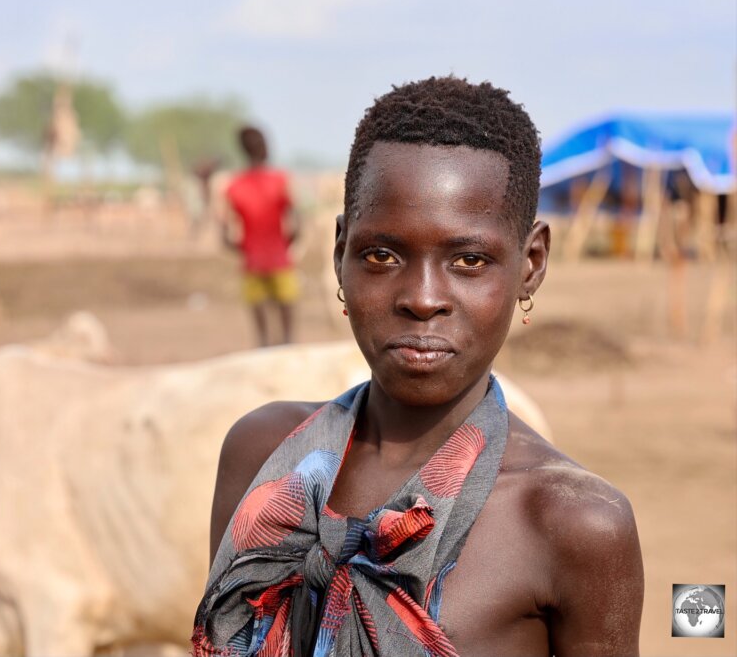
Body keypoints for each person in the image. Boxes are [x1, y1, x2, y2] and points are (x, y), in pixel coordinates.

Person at [193, 77, 643, 656]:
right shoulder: (263, 456)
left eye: (469, 259)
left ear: (531, 264)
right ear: (339, 253)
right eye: (382, 255)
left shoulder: (574, 522)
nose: (423, 297)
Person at [222, 126, 301, 347]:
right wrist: (283, 245)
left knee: (262, 338)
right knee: (288, 338)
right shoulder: (280, 181)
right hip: (281, 261)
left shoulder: (234, 186)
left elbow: (225, 236)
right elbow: (296, 225)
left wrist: (247, 248)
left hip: (252, 264)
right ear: (265, 147)